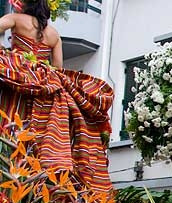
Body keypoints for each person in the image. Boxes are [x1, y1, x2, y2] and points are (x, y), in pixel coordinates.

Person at [0, 0, 114, 192]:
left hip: (17, 79)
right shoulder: (54, 35)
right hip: (43, 88)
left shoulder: (16, 19)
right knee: (35, 130)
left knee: (10, 117)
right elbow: (58, 67)